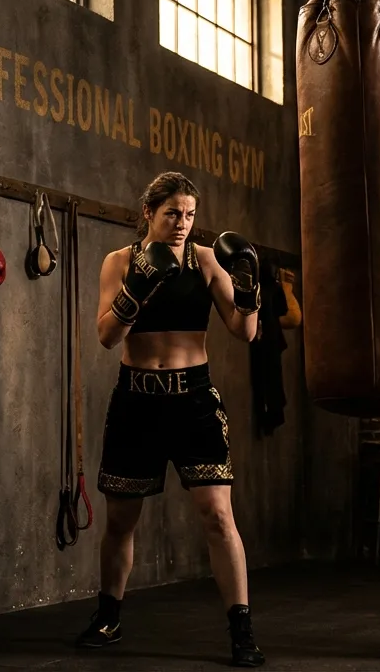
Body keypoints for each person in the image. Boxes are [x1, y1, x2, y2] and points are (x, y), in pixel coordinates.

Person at [76, 171, 265, 668]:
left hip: (193, 400)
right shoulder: (119, 262)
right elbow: (106, 337)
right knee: (121, 520)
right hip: (136, 399)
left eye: (190, 215)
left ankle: (242, 630)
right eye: (172, 214)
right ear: (148, 214)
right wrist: (136, 287)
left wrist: (248, 287)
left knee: (218, 516)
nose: (183, 224)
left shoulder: (205, 262)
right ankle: (107, 617)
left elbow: (244, 331)